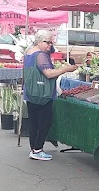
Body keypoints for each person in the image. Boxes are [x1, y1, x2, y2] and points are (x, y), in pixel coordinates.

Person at [23, 29, 78, 161]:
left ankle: (34, 148)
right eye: (47, 42)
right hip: (42, 94)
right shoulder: (40, 55)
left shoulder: (28, 52)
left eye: (51, 42)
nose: (50, 45)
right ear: (39, 41)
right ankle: (37, 149)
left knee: (34, 122)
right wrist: (66, 69)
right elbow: (48, 73)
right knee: (44, 122)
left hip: (31, 93)